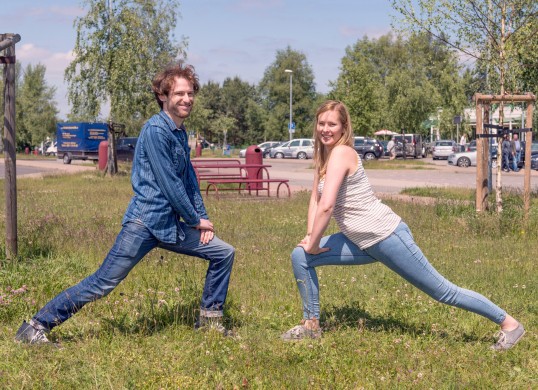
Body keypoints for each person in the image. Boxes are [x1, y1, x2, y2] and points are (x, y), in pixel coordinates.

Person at [15, 62, 235, 344]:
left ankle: (209, 322)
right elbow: (170, 184)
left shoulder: (179, 133)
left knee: (223, 253)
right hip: (145, 224)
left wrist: (202, 220)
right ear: (163, 96)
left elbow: (189, 179)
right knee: (102, 283)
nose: (187, 99)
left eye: (190, 93)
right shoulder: (156, 131)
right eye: (180, 93)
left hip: (170, 225)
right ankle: (35, 327)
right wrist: (194, 220)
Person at [281, 100, 525, 350]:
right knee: (301, 256)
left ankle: (510, 324)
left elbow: (327, 206)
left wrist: (313, 242)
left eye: (332, 124)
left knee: (442, 291)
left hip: (386, 237)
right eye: (321, 123)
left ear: (344, 128)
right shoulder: (325, 155)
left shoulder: (342, 153)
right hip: (358, 240)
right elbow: (315, 198)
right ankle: (311, 326)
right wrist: (310, 236)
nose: (325, 129)